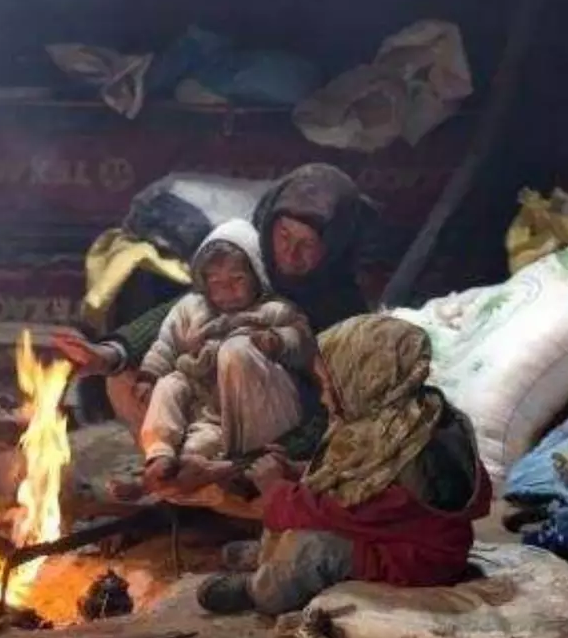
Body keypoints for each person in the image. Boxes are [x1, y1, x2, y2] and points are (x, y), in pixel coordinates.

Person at [46, 163, 382, 461]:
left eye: (307, 245)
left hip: (278, 442)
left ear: (334, 247)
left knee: (239, 355)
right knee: (126, 376)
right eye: (283, 236)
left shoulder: (343, 310)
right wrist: (108, 353)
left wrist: (268, 459)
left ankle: (223, 487)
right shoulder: (253, 259)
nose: (290, 254)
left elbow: (330, 413)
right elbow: (183, 311)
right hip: (211, 411)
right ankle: (176, 472)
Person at [194, 314, 492, 617]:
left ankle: (261, 590)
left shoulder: (413, 455)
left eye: (326, 385)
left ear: (365, 379)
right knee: (308, 484)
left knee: (313, 546)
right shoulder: (405, 417)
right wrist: (295, 469)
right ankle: (270, 558)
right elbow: (350, 474)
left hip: (416, 557)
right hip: (391, 531)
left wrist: (275, 490)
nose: (323, 398)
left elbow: (345, 510)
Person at [136, 219, 316, 493]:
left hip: (257, 408)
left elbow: (302, 340)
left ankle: (246, 467)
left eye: (237, 279)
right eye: (215, 282)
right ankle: (162, 458)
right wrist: (148, 375)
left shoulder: (272, 310)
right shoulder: (192, 310)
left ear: (256, 274)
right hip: (209, 409)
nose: (226, 290)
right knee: (171, 385)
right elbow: (166, 344)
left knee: (238, 349)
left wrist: (277, 341)